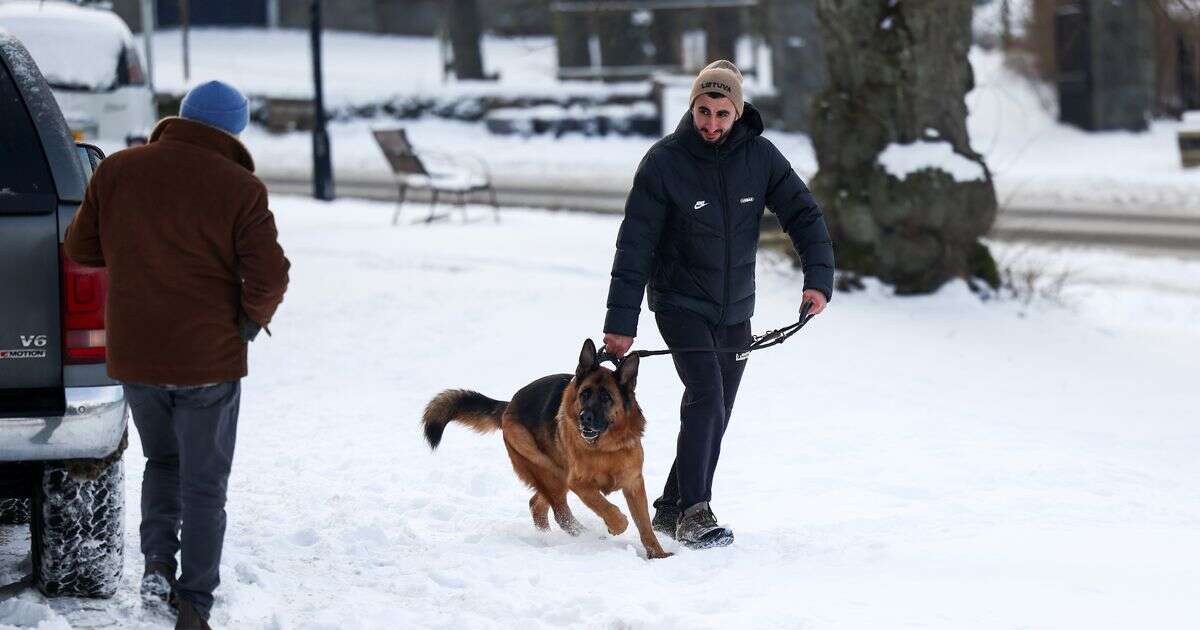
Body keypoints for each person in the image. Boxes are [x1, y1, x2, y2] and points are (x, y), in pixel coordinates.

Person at [65, 80, 290, 629]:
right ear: (233, 130)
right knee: (205, 482)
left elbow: (80, 247)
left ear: (181, 118)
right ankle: (194, 605)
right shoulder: (240, 187)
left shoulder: (117, 170)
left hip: (137, 355)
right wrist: (247, 321)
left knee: (162, 462)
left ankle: (158, 566)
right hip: (207, 359)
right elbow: (270, 275)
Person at [601, 60, 834, 549]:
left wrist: (818, 279)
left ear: (738, 112)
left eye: (722, 114)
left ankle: (667, 506)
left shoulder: (761, 158)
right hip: (679, 303)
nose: (711, 123)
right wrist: (621, 322)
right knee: (706, 396)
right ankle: (695, 512)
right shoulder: (664, 163)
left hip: (734, 307)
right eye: (703, 111)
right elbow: (634, 246)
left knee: (717, 409)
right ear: (691, 108)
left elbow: (804, 215)